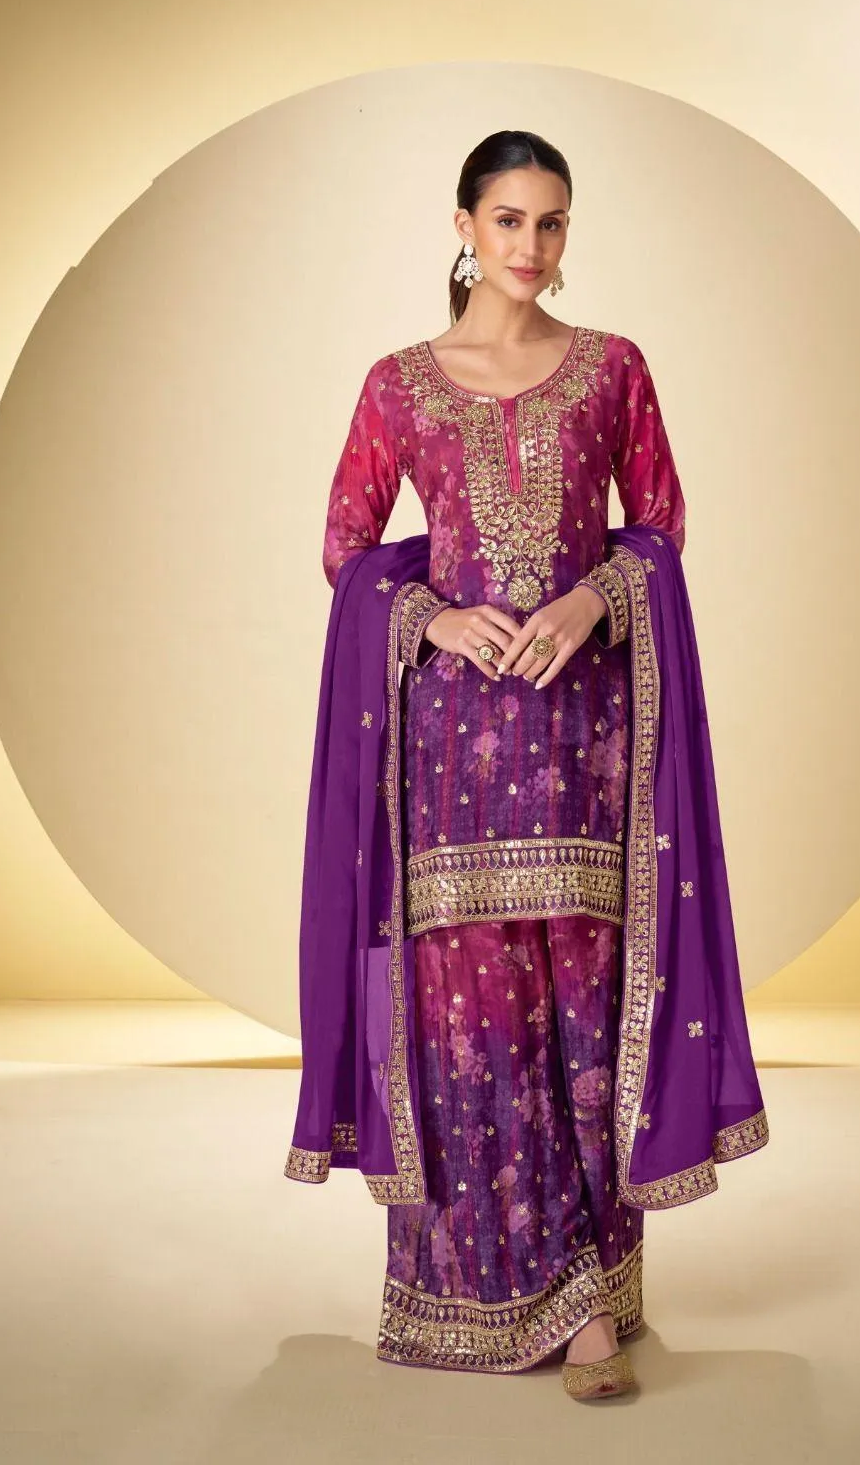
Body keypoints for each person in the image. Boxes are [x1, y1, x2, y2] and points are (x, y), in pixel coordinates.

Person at [285, 130, 768, 1400]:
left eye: (551, 223)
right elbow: (345, 545)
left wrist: (595, 596)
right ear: (464, 226)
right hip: (449, 750)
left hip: (585, 737)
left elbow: (658, 521)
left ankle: (591, 1286)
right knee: (470, 1016)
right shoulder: (399, 384)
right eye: (508, 221)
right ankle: (532, 1304)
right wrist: (431, 619)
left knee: (585, 1013)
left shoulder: (613, 367)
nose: (531, 247)